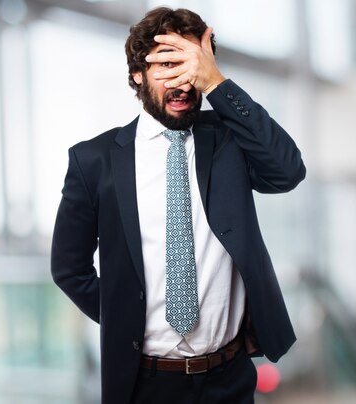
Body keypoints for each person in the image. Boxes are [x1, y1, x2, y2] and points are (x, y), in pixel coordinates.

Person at [51, 6, 306, 404]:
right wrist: (126, 321)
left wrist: (218, 83)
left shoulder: (228, 141)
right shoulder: (94, 161)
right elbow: (69, 268)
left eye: (191, 65)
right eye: (168, 64)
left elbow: (288, 171)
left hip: (230, 380)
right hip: (145, 383)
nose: (183, 82)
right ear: (137, 73)